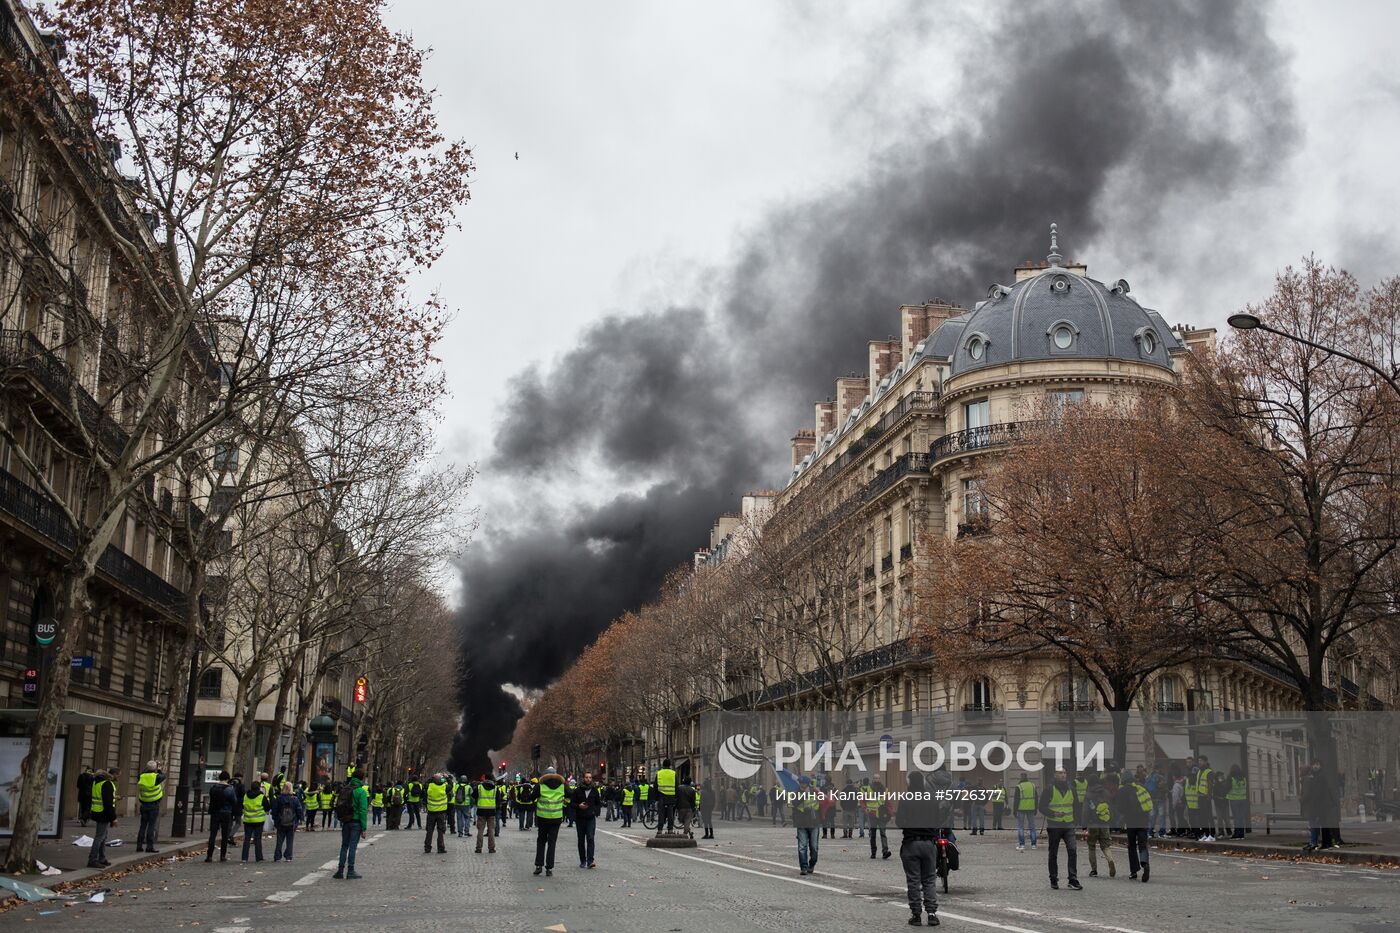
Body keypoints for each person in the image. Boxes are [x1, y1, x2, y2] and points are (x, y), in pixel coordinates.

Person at [896, 771, 945, 927]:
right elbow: (938, 820)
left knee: (913, 880)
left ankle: (916, 915)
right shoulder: (931, 798)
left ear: (910, 782)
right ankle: (931, 914)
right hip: (929, 843)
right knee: (930, 880)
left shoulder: (906, 798)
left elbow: (899, 822)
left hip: (911, 843)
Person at [1039, 769, 1081, 890]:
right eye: (1060, 773)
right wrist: (1052, 813)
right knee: (1053, 853)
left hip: (1068, 825)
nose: (1063, 775)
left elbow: (1076, 806)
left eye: (1064, 773)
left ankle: (1072, 879)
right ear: (1055, 775)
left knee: (1073, 850)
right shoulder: (1049, 789)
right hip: (1054, 825)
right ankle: (1053, 878)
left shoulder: (1072, 789)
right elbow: (1041, 807)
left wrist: (1076, 821)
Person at [1108, 773, 1152, 882]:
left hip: (1131, 822)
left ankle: (1134, 871)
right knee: (1143, 845)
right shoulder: (1141, 787)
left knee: (1131, 846)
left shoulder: (1123, 790)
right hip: (1143, 821)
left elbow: (1119, 808)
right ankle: (1145, 863)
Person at [333, 772, 369, 879]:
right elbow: (363, 810)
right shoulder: (361, 791)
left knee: (344, 846)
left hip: (345, 821)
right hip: (356, 822)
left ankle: (340, 871)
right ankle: (351, 870)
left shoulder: (345, 789)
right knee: (353, 846)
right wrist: (364, 827)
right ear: (362, 779)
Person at [533, 769, 567, 876]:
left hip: (543, 817)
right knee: (552, 843)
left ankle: (539, 865)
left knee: (541, 841)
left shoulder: (540, 786)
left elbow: (531, 797)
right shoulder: (563, 786)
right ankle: (549, 868)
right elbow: (571, 795)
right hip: (556, 818)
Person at [1083, 775, 1115, 878]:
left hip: (1093, 824)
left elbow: (1085, 811)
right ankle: (1110, 860)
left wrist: (1084, 824)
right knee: (1105, 845)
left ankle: (1094, 870)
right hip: (1104, 823)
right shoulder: (1106, 792)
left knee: (1091, 846)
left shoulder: (1088, 794)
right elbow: (1111, 808)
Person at [86, 768, 118, 868]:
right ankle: (93, 859)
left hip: (97, 811)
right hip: (103, 813)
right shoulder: (107, 784)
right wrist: (113, 818)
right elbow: (108, 803)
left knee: (103, 836)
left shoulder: (96, 783)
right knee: (100, 837)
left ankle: (102, 858)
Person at [571, 770, 602, 867]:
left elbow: (598, 803)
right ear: (583, 778)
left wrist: (595, 812)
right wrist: (578, 806)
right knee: (581, 840)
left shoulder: (594, 790)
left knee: (590, 838)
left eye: (590, 777)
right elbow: (572, 803)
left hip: (590, 818)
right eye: (586, 777)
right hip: (580, 818)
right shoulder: (577, 790)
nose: (588, 779)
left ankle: (590, 861)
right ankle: (582, 860)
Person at [206, 771, 236, 862]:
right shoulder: (230, 789)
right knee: (225, 834)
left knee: (213, 834)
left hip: (215, 812)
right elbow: (234, 801)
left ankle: (209, 855)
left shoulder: (213, 787)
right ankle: (222, 855)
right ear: (227, 778)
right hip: (226, 812)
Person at [136, 759, 165, 853]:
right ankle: (149, 846)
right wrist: (159, 768)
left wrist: (149, 767)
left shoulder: (141, 776)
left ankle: (139, 846)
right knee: (151, 826)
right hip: (154, 805)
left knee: (142, 826)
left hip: (143, 804)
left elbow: (143, 772)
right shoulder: (157, 777)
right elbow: (163, 776)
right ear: (155, 768)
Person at [793, 775, 820, 875]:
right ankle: (803, 868)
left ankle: (812, 864)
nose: (801, 785)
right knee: (802, 846)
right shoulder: (796, 793)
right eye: (800, 783)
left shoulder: (815, 792)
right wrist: (805, 794)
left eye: (803, 783)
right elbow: (795, 803)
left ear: (807, 784)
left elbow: (822, 804)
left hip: (814, 823)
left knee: (814, 847)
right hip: (802, 823)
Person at [270, 781, 304, 862]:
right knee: (290, 841)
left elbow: (274, 811)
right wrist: (300, 819)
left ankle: (277, 856)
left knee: (279, 840)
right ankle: (288, 856)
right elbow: (299, 810)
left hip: (280, 822)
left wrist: (275, 820)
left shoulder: (279, 799)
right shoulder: (295, 799)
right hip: (292, 823)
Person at [241, 779, 268, 862]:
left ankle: (244, 858)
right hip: (259, 820)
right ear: (259, 787)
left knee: (247, 839)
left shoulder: (246, 796)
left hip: (248, 820)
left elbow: (242, 806)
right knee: (257, 839)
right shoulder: (261, 796)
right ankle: (259, 857)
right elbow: (267, 807)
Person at [423, 772, 450, 853]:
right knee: (440, 831)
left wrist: (432, 777)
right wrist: (447, 777)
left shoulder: (429, 786)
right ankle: (441, 848)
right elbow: (451, 784)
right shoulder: (444, 787)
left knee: (429, 830)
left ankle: (427, 848)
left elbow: (426, 783)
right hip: (441, 812)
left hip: (431, 812)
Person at [473, 774, 499, 853]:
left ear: (485, 779)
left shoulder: (479, 787)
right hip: (491, 811)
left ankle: (478, 848)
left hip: (481, 811)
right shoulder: (495, 788)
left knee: (480, 830)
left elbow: (473, 795)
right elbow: (498, 800)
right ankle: (491, 848)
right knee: (491, 830)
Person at [867, 779, 892, 859]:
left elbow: (888, 801)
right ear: (873, 779)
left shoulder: (884, 790)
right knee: (873, 834)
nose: (877, 780)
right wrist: (865, 808)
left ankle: (885, 851)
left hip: (881, 815)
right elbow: (863, 799)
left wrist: (890, 812)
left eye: (878, 778)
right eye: (876, 778)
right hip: (873, 814)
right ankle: (873, 852)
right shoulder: (869, 789)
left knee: (883, 833)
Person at [1013, 772, 1038, 850]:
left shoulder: (1019, 786)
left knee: (1021, 827)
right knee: (1032, 827)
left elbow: (1016, 800)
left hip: (1021, 809)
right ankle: (1034, 845)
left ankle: (1022, 845)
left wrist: (1014, 811)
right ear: (1027, 777)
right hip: (1031, 808)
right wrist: (1035, 809)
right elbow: (1036, 798)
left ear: (1021, 777)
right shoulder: (1032, 785)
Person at [654, 758, 678, 836]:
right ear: (670, 765)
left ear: (663, 765)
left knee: (661, 814)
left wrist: (656, 797)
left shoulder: (659, 773)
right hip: (671, 797)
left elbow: (655, 786)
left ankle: (660, 829)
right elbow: (676, 785)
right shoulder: (673, 773)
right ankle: (670, 829)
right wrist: (676, 797)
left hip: (661, 796)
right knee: (670, 814)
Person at [1226, 764, 1249, 838]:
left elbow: (1227, 787)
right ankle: (1241, 834)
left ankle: (1236, 833)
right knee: (1241, 817)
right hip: (1243, 799)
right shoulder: (1243, 778)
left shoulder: (1231, 778)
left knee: (1236, 817)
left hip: (1234, 800)